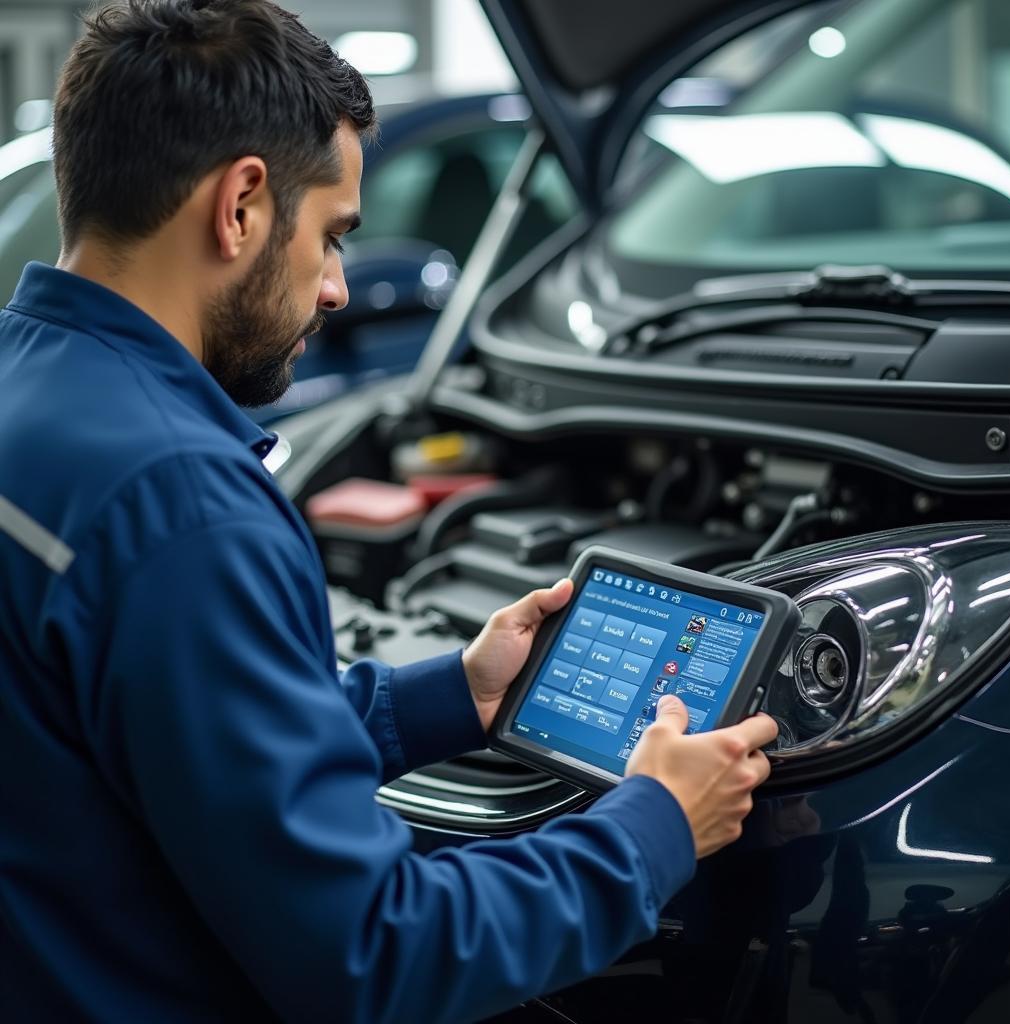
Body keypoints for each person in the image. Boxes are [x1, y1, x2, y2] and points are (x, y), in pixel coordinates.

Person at [0, 1, 778, 1021]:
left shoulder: (28, 393)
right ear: (239, 206)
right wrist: (655, 825)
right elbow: (374, 955)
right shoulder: (183, 506)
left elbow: (175, 744)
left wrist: (454, 694)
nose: (334, 288)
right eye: (330, 236)